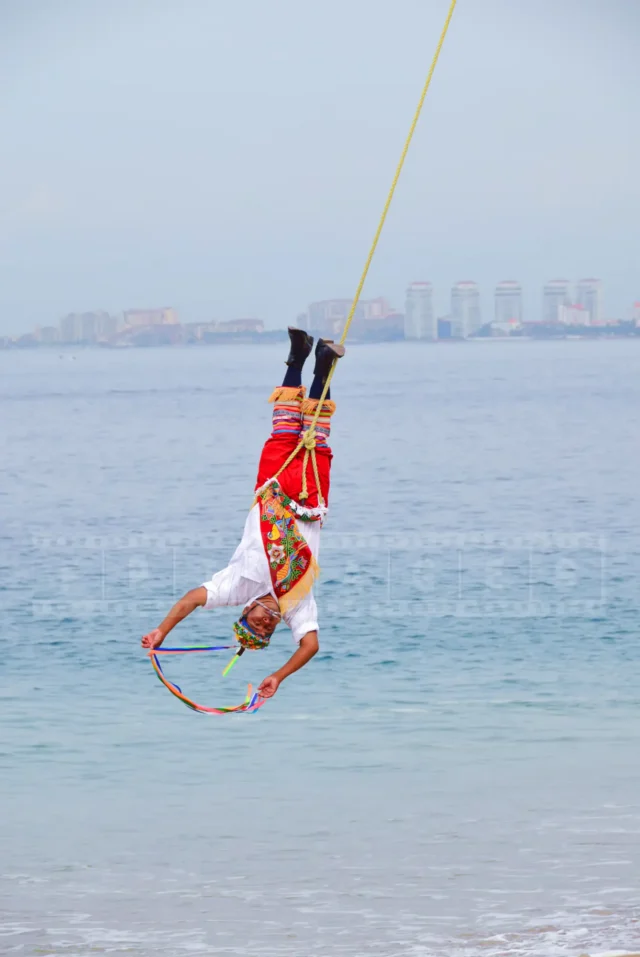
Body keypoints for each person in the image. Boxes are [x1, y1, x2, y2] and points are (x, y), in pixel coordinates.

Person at [141, 328, 345, 700]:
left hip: (272, 492)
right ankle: (323, 367)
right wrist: (279, 676)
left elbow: (190, 599)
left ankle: (297, 357)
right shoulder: (295, 606)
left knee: (284, 432)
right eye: (267, 631)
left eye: (255, 624)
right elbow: (310, 646)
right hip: (310, 503)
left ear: (246, 611)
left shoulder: (236, 587)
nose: (265, 624)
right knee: (317, 438)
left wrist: (161, 632)